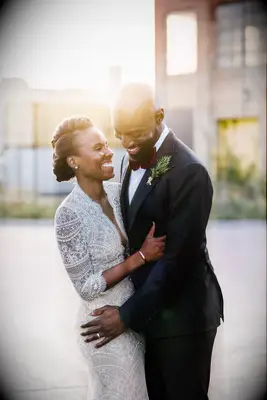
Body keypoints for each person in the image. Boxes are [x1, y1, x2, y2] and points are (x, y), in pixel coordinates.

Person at [81, 84, 224, 400]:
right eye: (120, 134)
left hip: (185, 319)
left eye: (135, 133)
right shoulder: (128, 158)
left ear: (159, 116)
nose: (127, 143)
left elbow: (177, 260)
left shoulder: (191, 172)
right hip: (151, 316)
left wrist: (125, 315)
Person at [52, 115, 166, 400]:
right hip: (103, 328)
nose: (108, 152)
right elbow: (86, 287)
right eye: (97, 148)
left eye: (106, 145)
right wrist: (139, 257)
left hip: (134, 318)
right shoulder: (68, 215)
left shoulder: (120, 193)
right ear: (74, 161)